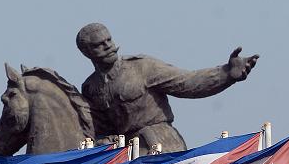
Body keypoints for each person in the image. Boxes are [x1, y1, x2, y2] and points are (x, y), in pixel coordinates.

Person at [76, 22, 259, 152]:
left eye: (109, 40)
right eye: (99, 44)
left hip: (162, 144)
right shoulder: (91, 87)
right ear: (86, 52)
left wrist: (227, 73)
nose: (108, 46)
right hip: (126, 154)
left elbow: (188, 83)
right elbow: (101, 130)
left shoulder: (142, 67)